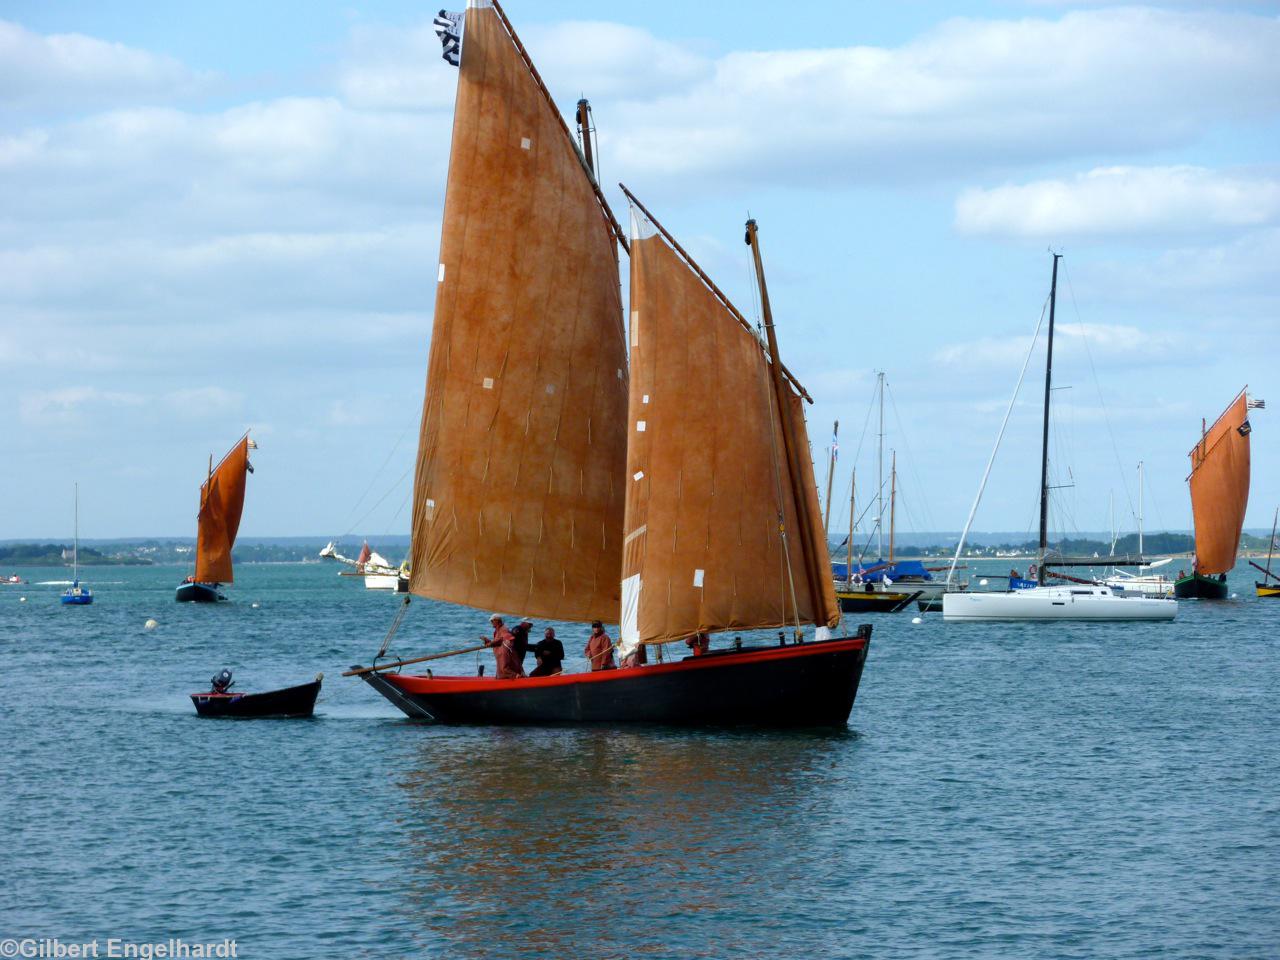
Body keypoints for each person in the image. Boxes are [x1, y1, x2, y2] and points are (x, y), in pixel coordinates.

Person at [481, 614, 524, 679]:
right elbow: (497, 642)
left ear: (497, 621)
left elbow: (502, 638)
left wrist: (491, 643)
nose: (491, 623)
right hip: (501, 653)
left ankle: (517, 677)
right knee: (501, 672)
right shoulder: (497, 630)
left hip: (505, 651)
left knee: (504, 669)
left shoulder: (504, 628)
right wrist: (488, 642)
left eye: (492, 621)